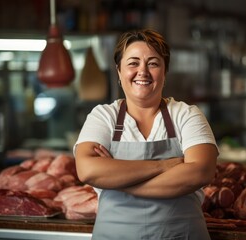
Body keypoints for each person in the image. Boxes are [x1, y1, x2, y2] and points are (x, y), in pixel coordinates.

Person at [74, 29, 218, 240]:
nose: (143, 71)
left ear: (165, 72)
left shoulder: (187, 115)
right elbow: (87, 170)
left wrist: (119, 182)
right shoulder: (103, 116)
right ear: (119, 71)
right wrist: (163, 165)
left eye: (153, 63)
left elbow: (200, 172)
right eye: (133, 63)